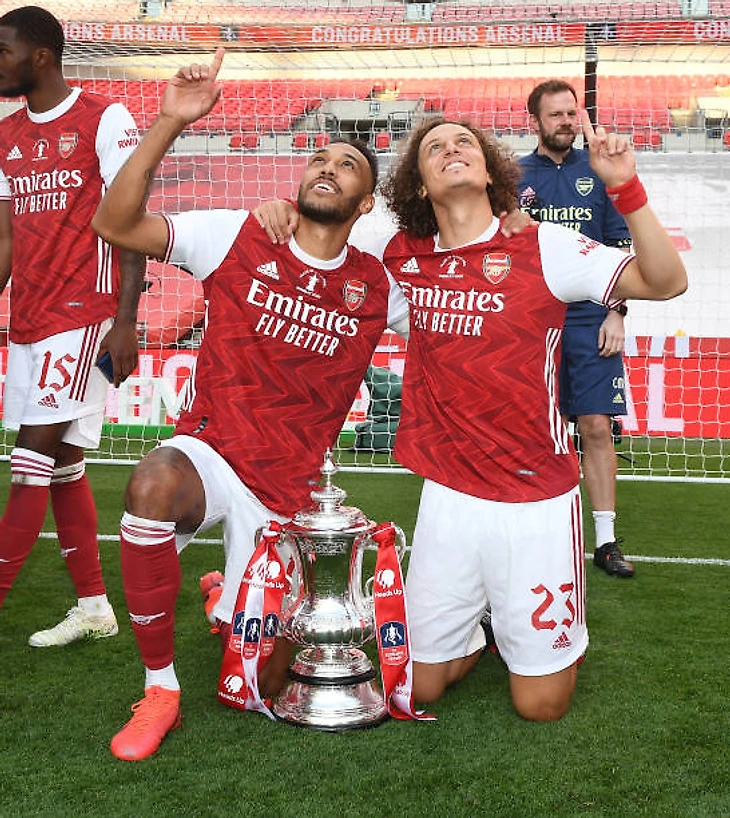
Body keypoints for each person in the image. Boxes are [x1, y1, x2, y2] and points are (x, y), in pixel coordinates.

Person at [255, 114, 686, 722]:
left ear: (490, 172)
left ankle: (530, 637)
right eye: (434, 148)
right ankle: (480, 634)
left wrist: (626, 188)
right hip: (449, 496)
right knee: (419, 689)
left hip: (535, 497)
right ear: (421, 187)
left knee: (541, 706)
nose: (451, 150)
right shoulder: (400, 261)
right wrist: (287, 209)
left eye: (465, 143)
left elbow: (667, 281)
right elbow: (326, 259)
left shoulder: (543, 245)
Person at [90, 48, 409, 761]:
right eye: (317, 158)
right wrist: (170, 120)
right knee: (151, 481)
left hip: (290, 492)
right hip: (213, 451)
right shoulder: (237, 233)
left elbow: (464, 323)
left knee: (257, 681)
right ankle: (160, 688)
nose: (326, 167)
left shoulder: (379, 288)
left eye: (347, 166)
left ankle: (228, 595)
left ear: (364, 205)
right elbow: (115, 226)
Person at [0, 6, 145, 645]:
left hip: (84, 313)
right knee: (61, 466)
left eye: (2, 49)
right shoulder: (4, 136)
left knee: (29, 459)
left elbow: (131, 217)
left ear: (40, 55)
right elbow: (5, 240)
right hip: (29, 320)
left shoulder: (104, 117)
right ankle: (94, 606)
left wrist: (126, 319)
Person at [520, 79, 635, 578]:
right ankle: (531, 531)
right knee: (529, 430)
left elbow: (619, 249)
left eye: (572, 113)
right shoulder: (512, 176)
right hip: (531, 317)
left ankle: (606, 541)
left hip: (591, 314)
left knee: (595, 426)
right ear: (536, 122)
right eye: (556, 115)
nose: (567, 121)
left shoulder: (600, 171)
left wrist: (618, 312)